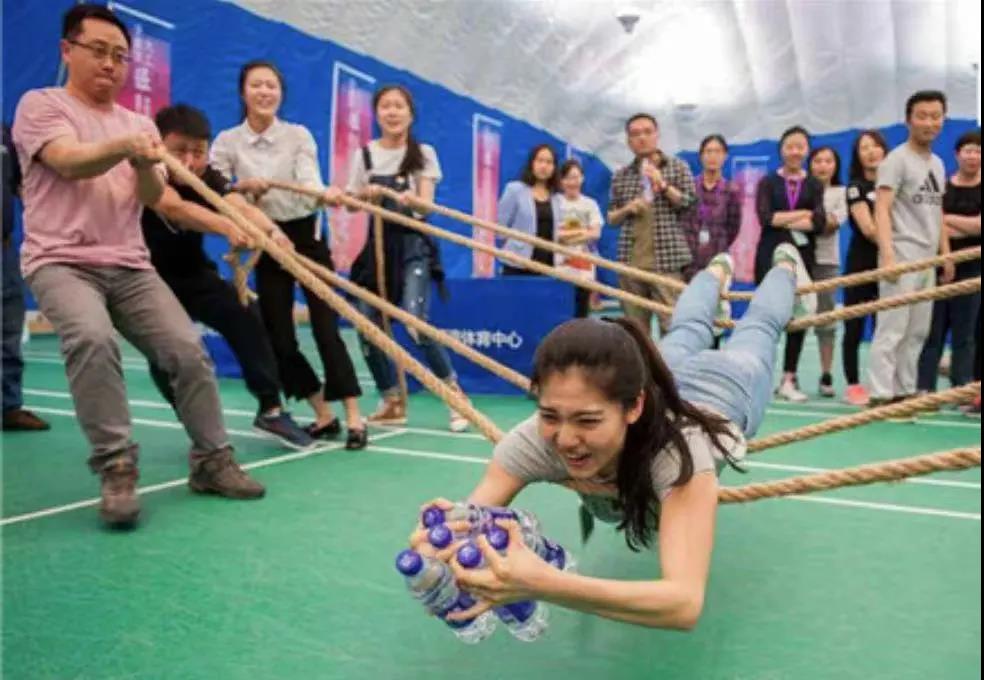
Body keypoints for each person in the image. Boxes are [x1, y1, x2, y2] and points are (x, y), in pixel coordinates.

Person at [410, 243, 815, 630]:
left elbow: (683, 603)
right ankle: (716, 272)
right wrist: (441, 547)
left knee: (757, 330)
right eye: (550, 414)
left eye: (587, 421)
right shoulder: (536, 438)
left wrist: (543, 583)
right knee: (686, 330)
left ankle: (785, 268)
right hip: (663, 376)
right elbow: (475, 512)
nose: (565, 439)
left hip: (725, 388)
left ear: (634, 407)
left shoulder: (679, 452)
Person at [12, 4, 264, 526]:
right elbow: (67, 161)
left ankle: (213, 459)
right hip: (61, 261)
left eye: (120, 56)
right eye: (98, 51)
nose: (110, 64)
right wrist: (126, 147)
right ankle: (116, 465)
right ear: (68, 50)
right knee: (91, 338)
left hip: (129, 264)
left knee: (188, 351)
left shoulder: (136, 123)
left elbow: (153, 196)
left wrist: (147, 163)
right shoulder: (41, 106)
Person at [212, 60, 367, 449]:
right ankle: (322, 414)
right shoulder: (227, 142)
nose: (265, 92)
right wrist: (243, 188)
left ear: (280, 93)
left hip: (306, 234)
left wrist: (324, 193)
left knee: (326, 327)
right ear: (242, 92)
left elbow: (309, 178)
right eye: (257, 85)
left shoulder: (298, 135)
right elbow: (214, 189)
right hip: (265, 238)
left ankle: (354, 417)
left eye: (272, 86)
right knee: (278, 336)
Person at [141, 104, 315, 450]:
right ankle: (197, 426)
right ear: (159, 146)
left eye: (198, 152)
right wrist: (226, 227)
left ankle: (270, 408)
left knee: (246, 317)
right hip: (146, 278)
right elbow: (173, 207)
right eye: (179, 151)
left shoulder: (208, 177)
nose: (189, 162)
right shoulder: (147, 173)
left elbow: (238, 204)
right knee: (171, 352)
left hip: (192, 272)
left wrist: (273, 233)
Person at [323, 84, 469, 433]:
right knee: (367, 324)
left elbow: (426, 205)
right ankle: (391, 400)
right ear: (376, 114)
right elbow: (351, 199)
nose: (392, 112)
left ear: (410, 113)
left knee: (414, 322)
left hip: (412, 245)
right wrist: (358, 195)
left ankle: (454, 395)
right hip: (375, 249)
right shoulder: (366, 155)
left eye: (399, 106)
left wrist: (410, 202)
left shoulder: (424, 154)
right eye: (385, 106)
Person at [868, 90, 953, 407]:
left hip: (928, 261)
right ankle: (880, 394)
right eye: (922, 115)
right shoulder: (895, 160)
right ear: (908, 120)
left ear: (943, 119)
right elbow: (882, 209)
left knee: (918, 331)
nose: (929, 122)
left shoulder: (939, 164)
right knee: (892, 329)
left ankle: (904, 392)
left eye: (936, 116)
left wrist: (945, 253)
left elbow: (937, 212)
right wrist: (888, 256)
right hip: (901, 256)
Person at [607, 113, 697, 336]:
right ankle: (642, 372)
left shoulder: (677, 167)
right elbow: (611, 218)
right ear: (628, 141)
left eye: (647, 132)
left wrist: (663, 184)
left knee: (673, 327)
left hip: (667, 264)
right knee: (635, 333)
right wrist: (627, 208)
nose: (642, 138)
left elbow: (689, 204)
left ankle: (672, 372)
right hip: (630, 265)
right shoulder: (621, 175)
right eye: (635, 134)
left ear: (657, 135)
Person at [754, 126, 826, 402]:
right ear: (781, 150)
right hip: (769, 255)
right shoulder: (768, 182)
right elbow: (766, 218)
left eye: (800, 146)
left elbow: (818, 222)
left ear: (806, 150)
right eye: (790, 146)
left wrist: (785, 217)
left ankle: (788, 379)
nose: (795, 151)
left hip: (804, 258)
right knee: (766, 317)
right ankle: (760, 378)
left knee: (799, 318)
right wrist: (802, 213)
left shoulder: (815, 184)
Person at [916, 129, 980, 393]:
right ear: (957, 154)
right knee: (932, 332)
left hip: (975, 269)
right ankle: (924, 389)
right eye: (968, 150)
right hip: (942, 266)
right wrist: (955, 229)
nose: (973, 156)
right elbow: (933, 223)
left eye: (978, 151)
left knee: (967, 334)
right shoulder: (942, 186)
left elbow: (977, 227)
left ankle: (962, 389)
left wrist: (948, 221)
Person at [2, 123, 50, 431]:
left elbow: (24, 184)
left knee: (8, 328)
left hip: (3, 248)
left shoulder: (5, 135)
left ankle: (8, 406)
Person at [841, 130, 889, 406]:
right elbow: (869, 229)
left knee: (885, 327)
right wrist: (896, 238)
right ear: (858, 156)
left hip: (889, 265)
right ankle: (853, 385)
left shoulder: (893, 185)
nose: (871, 152)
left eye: (875, 146)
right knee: (854, 328)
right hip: (861, 265)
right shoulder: (855, 188)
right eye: (864, 148)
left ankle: (881, 383)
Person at [808, 146, 847, 397]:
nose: (822, 165)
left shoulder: (841, 193)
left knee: (826, 322)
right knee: (794, 322)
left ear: (835, 165)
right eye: (818, 161)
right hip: (801, 260)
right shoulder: (800, 190)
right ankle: (788, 377)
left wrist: (807, 217)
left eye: (828, 161)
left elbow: (831, 225)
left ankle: (826, 374)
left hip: (827, 262)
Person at [496, 144, 563, 276]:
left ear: (554, 168)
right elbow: (500, 227)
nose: (544, 166)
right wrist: (514, 247)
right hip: (517, 263)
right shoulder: (514, 190)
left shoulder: (557, 197)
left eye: (549, 162)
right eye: (540, 160)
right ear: (532, 163)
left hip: (548, 265)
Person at [682, 134, 742, 279]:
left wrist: (718, 243)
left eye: (718, 151)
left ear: (725, 156)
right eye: (708, 152)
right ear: (701, 156)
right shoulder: (689, 186)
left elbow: (734, 227)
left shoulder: (731, 190)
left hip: (717, 260)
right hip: (688, 260)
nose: (712, 156)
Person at [555, 158, 603, 318]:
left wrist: (567, 238)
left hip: (584, 269)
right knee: (560, 312)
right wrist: (583, 232)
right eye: (568, 178)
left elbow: (595, 233)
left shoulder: (590, 204)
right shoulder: (555, 202)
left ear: (582, 178)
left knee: (581, 313)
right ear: (561, 181)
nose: (572, 182)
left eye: (576, 177)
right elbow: (554, 235)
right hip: (559, 267)